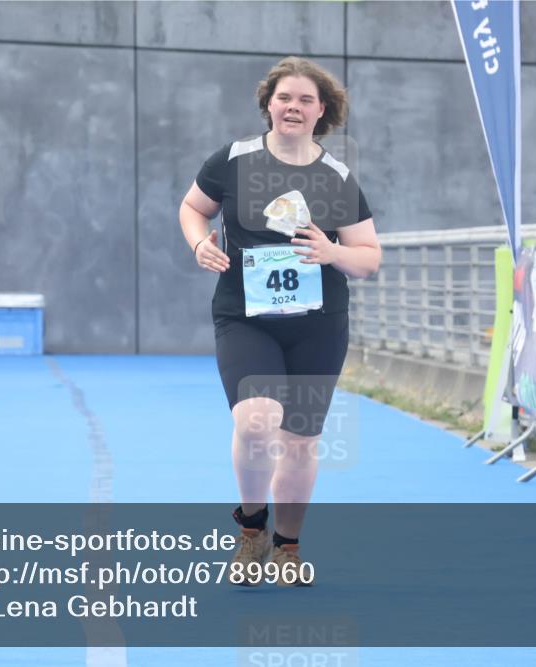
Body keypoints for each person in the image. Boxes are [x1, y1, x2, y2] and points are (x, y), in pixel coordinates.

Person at [178, 56, 381, 586]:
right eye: (285, 97)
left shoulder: (336, 177)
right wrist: (201, 242)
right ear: (269, 104)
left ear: (323, 112)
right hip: (247, 318)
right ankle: (252, 530)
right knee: (255, 422)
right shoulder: (234, 159)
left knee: (298, 441)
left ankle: (288, 548)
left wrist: (331, 251)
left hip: (317, 324)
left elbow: (369, 258)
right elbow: (192, 208)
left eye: (306, 100)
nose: (293, 107)